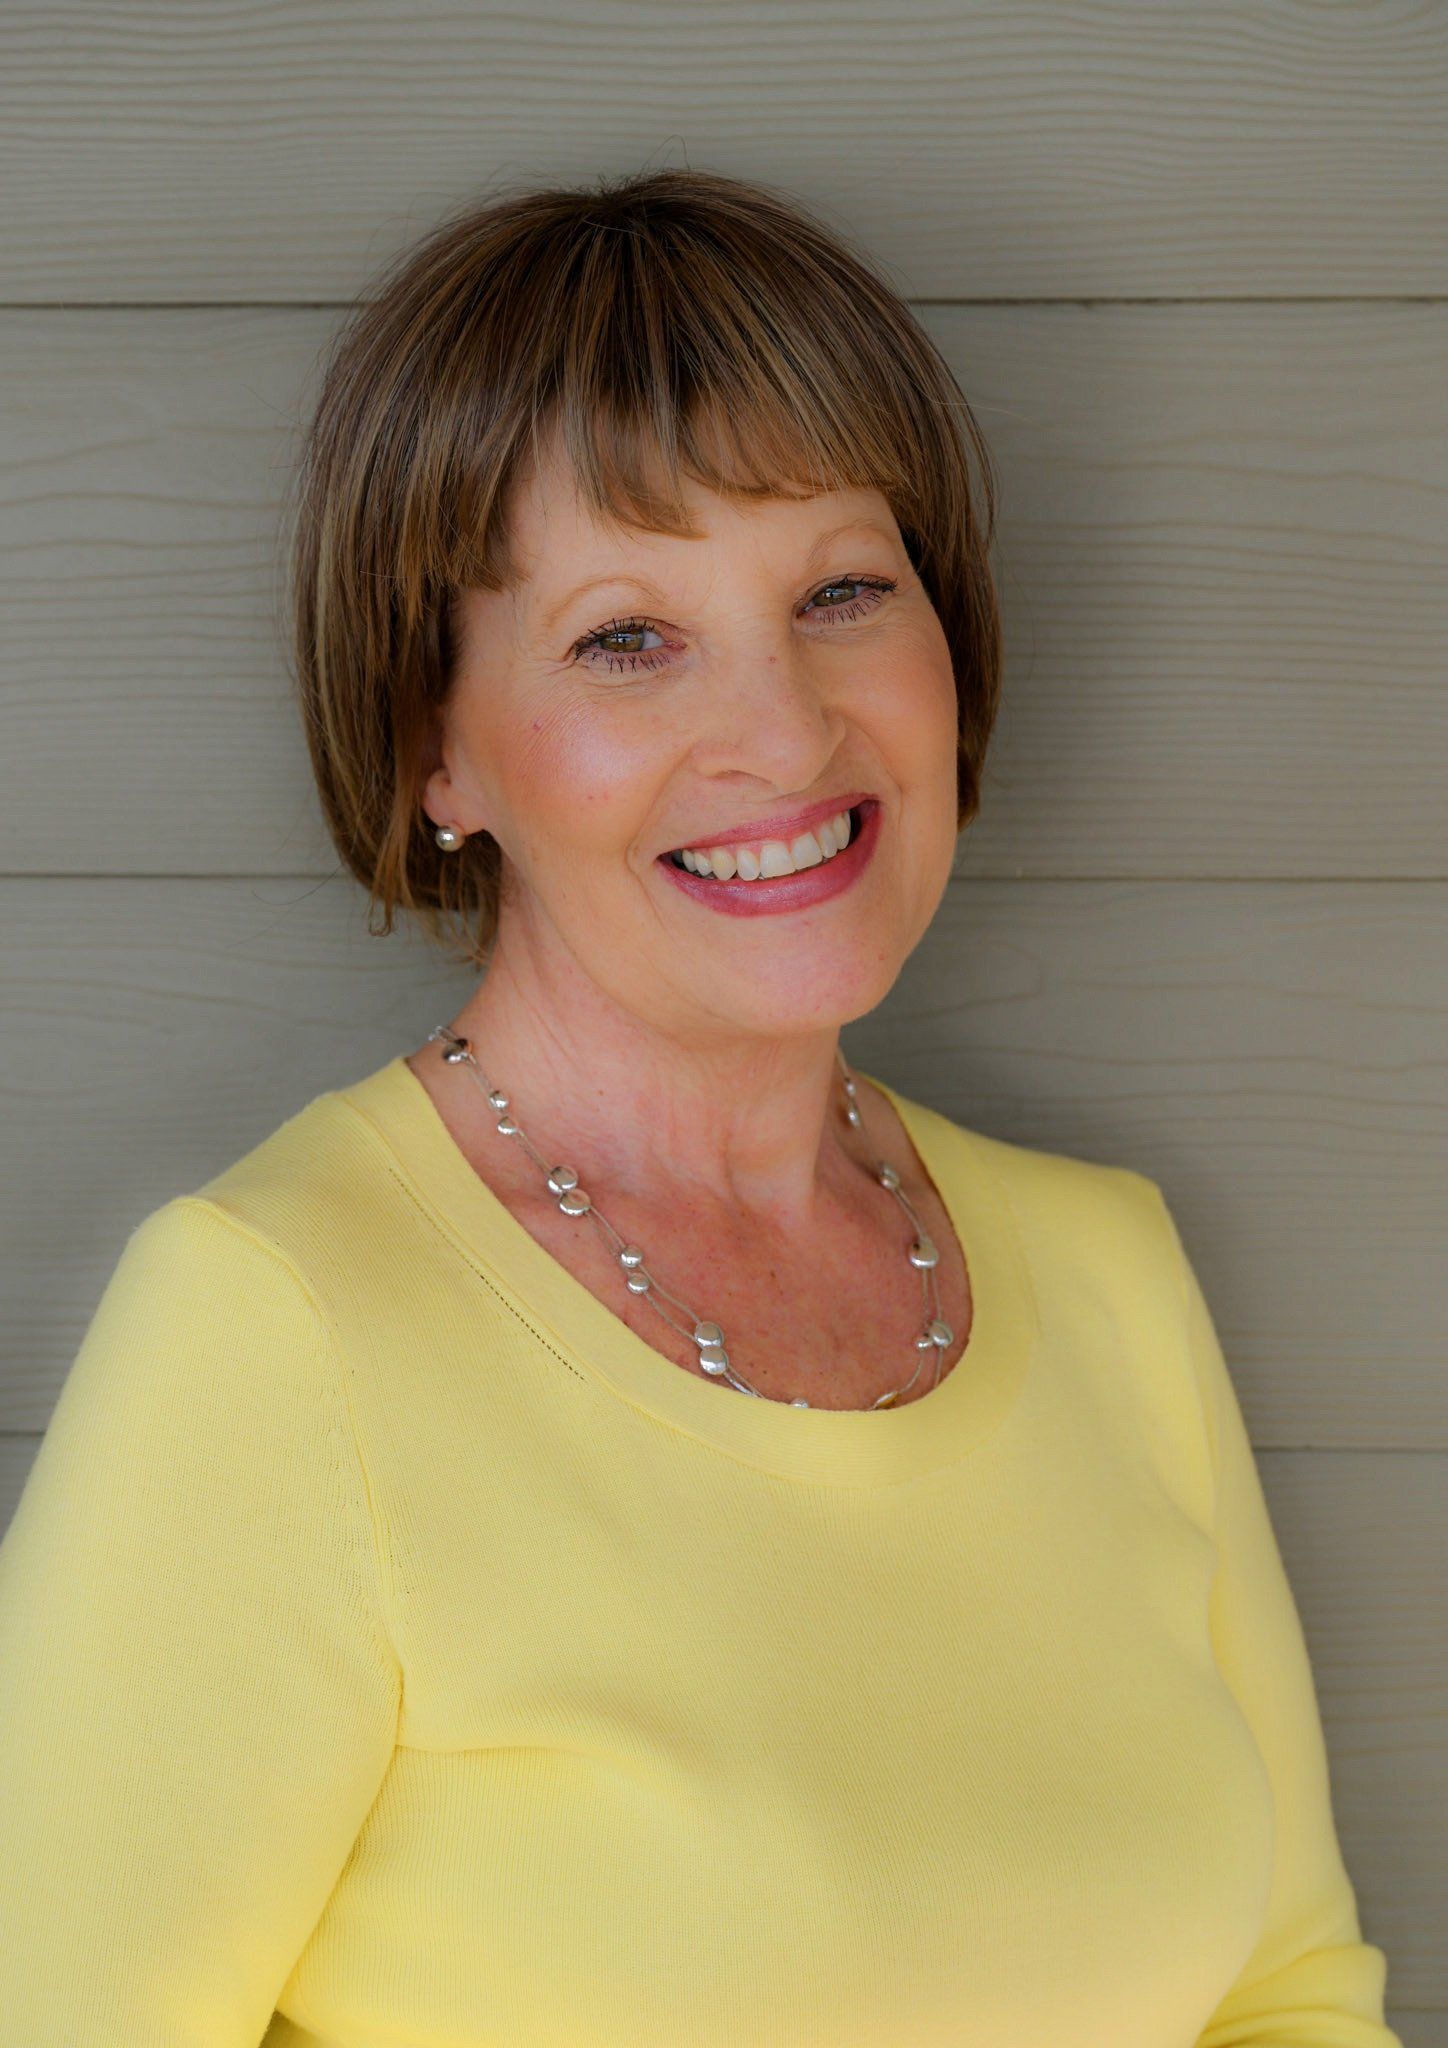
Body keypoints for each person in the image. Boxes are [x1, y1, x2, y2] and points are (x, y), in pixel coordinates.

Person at [0, 167, 1401, 2046]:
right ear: (434, 745)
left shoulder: (1109, 1271)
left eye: (842, 591)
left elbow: (1290, 1995)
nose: (788, 730)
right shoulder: (275, 1327)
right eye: (625, 638)